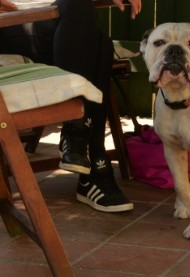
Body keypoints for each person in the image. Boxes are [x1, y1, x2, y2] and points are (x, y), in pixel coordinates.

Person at [0, 0, 142, 212]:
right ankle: (95, 168)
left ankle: (77, 137)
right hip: (8, 27)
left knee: (95, 35)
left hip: (49, 21)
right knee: (100, 45)